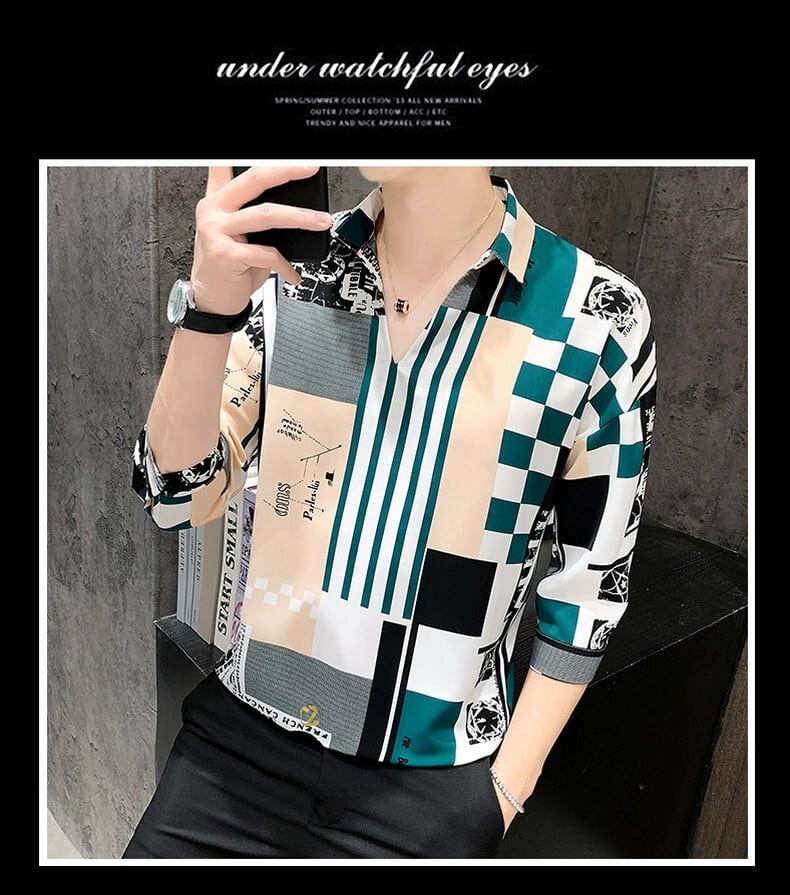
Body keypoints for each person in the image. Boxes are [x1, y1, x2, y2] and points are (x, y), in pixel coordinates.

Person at [124, 165, 657, 860]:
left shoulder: (597, 320)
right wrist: (208, 309)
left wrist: (503, 792)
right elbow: (176, 498)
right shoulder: (290, 274)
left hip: (431, 790)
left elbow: (590, 587)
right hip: (238, 750)